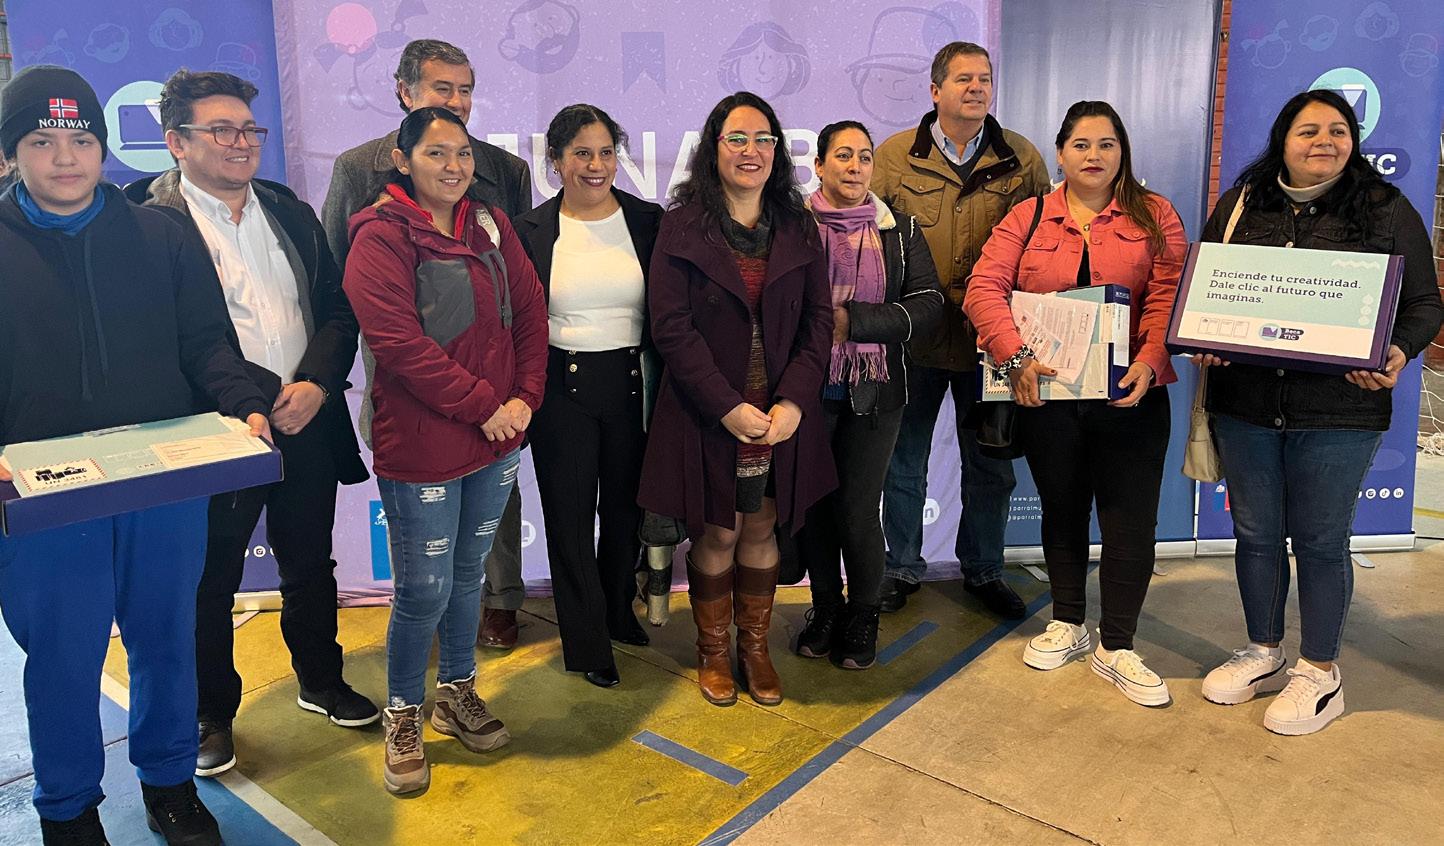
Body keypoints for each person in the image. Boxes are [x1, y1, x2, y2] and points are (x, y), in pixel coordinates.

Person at [0, 65, 271, 846]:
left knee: (167, 640)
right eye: (41, 141)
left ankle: (170, 784)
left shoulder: (160, 234)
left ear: (103, 147)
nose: (65, 158)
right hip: (46, 498)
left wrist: (243, 403)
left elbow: (205, 343)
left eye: (81, 140)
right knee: (63, 657)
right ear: (12, 152)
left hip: (164, 483)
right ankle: (68, 810)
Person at [123, 69, 378, 778]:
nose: (241, 143)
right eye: (221, 130)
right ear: (176, 142)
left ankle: (321, 680)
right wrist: (263, 398)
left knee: (310, 562)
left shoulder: (289, 210)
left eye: (249, 129)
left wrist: (317, 385)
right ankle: (211, 713)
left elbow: (338, 309)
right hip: (214, 433)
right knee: (209, 581)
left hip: (307, 420)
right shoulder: (148, 223)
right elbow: (175, 339)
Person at [1194, 90, 1442, 734]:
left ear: (1353, 142)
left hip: (1340, 410)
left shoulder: (1385, 208)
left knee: (1321, 540)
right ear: (1283, 138)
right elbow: (1207, 291)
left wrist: (1397, 349)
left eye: (1338, 130)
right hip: (1247, 405)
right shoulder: (1243, 204)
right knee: (1254, 533)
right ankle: (1263, 650)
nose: (1324, 141)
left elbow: (1424, 303)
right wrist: (1207, 339)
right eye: (1309, 131)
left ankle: (1320, 671)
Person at [343, 107, 548, 793]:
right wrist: (487, 406)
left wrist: (525, 398)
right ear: (402, 161)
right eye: (435, 153)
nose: (453, 166)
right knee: (423, 588)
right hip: (425, 443)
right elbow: (399, 345)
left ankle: (456, 693)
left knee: (469, 577)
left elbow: (531, 312)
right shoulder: (379, 236)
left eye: (461, 152)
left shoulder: (490, 223)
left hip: (498, 438)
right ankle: (403, 716)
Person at [964, 101, 1186, 707]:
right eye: (1081, 145)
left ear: (1123, 152)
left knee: (1129, 518)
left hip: (1131, 395)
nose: (1094, 156)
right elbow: (984, 288)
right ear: (1060, 153)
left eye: (1107, 144)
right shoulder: (1029, 215)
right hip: (1048, 395)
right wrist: (1013, 356)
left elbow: (1169, 294)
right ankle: (1067, 621)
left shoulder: (1156, 213)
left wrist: (1150, 359)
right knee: (1061, 508)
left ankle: (1118, 645)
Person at [322, 37, 534, 651]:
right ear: (404, 91)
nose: (458, 101)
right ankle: (426, 613)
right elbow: (338, 276)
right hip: (407, 377)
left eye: (466, 90)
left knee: (496, 490)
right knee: (424, 521)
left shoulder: (504, 170)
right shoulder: (358, 169)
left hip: (492, 378)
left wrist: (520, 390)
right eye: (444, 88)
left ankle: (501, 599)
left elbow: (520, 288)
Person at [638, 91, 836, 707]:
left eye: (763, 139)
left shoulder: (799, 226)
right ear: (713, 148)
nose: (752, 151)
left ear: (778, 151)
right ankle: (714, 651)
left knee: (763, 526)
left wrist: (794, 403)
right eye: (737, 139)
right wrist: (726, 406)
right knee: (718, 533)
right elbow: (670, 327)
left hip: (778, 415)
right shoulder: (681, 225)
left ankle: (755, 648)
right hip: (709, 411)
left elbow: (819, 323)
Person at [872, 41, 1050, 617]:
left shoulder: (1022, 158)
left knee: (991, 465)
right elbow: (869, 243)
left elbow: (1043, 243)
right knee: (903, 462)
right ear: (935, 90)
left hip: (992, 345)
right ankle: (900, 567)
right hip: (915, 340)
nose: (976, 88)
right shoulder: (894, 157)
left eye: (984, 79)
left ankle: (985, 570)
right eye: (963, 79)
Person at [514, 105, 663, 688]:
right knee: (570, 519)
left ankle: (618, 609)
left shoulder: (648, 220)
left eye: (605, 152)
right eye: (581, 153)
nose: (596, 165)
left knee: (624, 513)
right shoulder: (529, 230)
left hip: (633, 385)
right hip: (560, 390)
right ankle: (586, 640)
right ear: (555, 161)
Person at [793, 120, 945, 669]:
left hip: (876, 390)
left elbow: (929, 304)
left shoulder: (898, 230)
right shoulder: (793, 225)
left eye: (864, 157)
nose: (855, 166)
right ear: (819, 166)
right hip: (805, 388)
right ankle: (825, 608)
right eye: (843, 155)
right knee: (813, 508)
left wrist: (852, 322)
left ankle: (863, 614)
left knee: (856, 510)